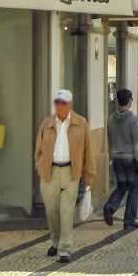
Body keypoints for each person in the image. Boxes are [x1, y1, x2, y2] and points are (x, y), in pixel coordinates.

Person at [34, 89, 89, 263]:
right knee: (51, 211)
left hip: (71, 172)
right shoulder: (47, 124)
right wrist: (40, 167)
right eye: (57, 103)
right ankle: (55, 240)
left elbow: (88, 152)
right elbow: (39, 150)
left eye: (63, 103)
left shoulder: (81, 124)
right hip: (50, 172)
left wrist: (89, 177)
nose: (60, 106)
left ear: (70, 105)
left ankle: (65, 249)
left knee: (66, 211)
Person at [103, 87, 138, 229]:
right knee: (133, 189)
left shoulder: (110, 119)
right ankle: (129, 221)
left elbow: (109, 139)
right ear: (129, 101)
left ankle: (110, 206)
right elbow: (137, 143)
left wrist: (110, 156)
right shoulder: (133, 120)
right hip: (130, 159)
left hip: (116, 158)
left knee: (121, 187)